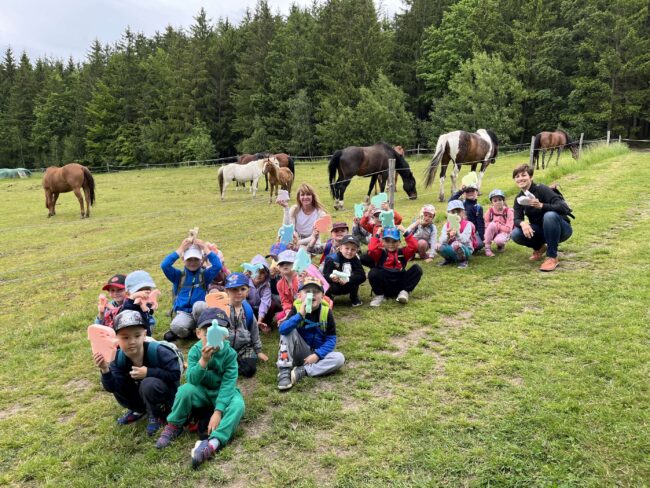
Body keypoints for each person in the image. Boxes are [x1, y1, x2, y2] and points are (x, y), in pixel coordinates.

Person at [156, 307, 245, 469]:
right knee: (185, 390)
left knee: (238, 404)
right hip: (201, 391)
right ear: (198, 333)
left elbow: (228, 384)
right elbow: (192, 379)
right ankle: (174, 425)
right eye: (208, 334)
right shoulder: (195, 351)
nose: (213, 340)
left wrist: (218, 411)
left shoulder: (230, 354)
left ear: (225, 335)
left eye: (218, 334)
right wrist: (203, 361)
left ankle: (214, 442)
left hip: (221, 393)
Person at [93, 310, 181, 436]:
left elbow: (175, 374)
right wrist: (105, 370)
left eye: (137, 336)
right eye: (125, 337)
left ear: (144, 335)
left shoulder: (159, 352)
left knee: (148, 383)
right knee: (117, 381)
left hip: (165, 393)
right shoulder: (117, 358)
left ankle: (157, 414)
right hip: (142, 394)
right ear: (116, 339)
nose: (132, 341)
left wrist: (149, 372)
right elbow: (112, 387)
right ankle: (139, 410)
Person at [276, 277, 345, 390]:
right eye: (307, 291)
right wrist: (299, 316)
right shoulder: (297, 308)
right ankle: (284, 370)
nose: (311, 295)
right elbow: (282, 330)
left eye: (316, 292)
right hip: (299, 352)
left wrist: (317, 354)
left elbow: (331, 339)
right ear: (300, 295)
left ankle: (303, 371)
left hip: (317, 355)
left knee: (339, 358)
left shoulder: (326, 312)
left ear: (322, 296)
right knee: (288, 330)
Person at [510, 164, 573, 271]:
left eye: (524, 175)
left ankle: (552, 257)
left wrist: (542, 205)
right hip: (541, 231)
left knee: (549, 215)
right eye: (517, 176)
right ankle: (539, 247)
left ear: (531, 177)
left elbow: (564, 208)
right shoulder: (519, 198)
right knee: (516, 234)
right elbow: (517, 218)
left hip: (561, 229)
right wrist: (522, 223)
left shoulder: (542, 189)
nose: (520, 179)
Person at [161, 238, 222, 341]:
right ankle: (192, 332)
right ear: (183, 259)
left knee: (199, 305)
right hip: (184, 313)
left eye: (196, 259)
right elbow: (164, 265)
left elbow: (217, 265)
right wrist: (181, 249)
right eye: (189, 259)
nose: (192, 263)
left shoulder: (205, 275)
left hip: (200, 312)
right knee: (176, 326)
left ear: (201, 259)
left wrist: (205, 248)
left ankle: (202, 329)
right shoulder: (178, 276)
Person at [223, 272, 269, 377]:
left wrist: (258, 351)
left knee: (250, 370)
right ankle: (229, 364)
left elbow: (254, 331)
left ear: (248, 291)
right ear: (226, 291)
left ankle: (231, 365)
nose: (239, 292)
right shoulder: (222, 309)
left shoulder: (248, 311)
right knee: (217, 365)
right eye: (234, 289)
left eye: (243, 289)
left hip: (244, 348)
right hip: (225, 348)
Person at [367, 225, 422, 307]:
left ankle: (404, 292)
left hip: (400, 285)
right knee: (373, 272)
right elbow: (371, 249)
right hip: (385, 285)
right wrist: (377, 233)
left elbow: (414, 246)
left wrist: (405, 231)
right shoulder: (380, 253)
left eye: (394, 241)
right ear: (382, 242)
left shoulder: (403, 252)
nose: (391, 244)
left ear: (399, 242)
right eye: (387, 241)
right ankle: (379, 295)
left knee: (417, 269)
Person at [323, 235, 366, 307]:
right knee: (329, 286)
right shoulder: (332, 259)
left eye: (353, 249)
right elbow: (325, 275)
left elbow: (362, 276)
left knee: (356, 279)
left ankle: (354, 297)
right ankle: (329, 296)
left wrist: (349, 279)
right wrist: (332, 278)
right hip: (335, 285)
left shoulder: (355, 260)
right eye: (347, 248)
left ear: (357, 250)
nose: (349, 251)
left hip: (349, 284)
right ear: (340, 248)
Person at [437, 200, 476, 269]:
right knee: (437, 246)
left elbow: (465, 240)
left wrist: (457, 233)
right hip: (452, 249)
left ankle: (463, 261)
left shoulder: (467, 224)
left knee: (456, 244)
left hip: (465, 249)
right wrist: (448, 236)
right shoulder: (446, 225)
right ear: (448, 214)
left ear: (463, 213)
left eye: (458, 212)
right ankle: (448, 259)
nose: (456, 214)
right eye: (453, 212)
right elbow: (441, 241)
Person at [120, 270, 158, 335]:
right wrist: (132, 298)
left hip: (146, 334)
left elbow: (148, 313)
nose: (143, 293)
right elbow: (125, 312)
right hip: (132, 336)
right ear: (128, 294)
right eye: (139, 291)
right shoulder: (129, 305)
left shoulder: (147, 303)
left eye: (147, 289)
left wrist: (152, 308)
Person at [449, 184, 484, 252]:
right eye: (467, 191)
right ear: (464, 194)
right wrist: (460, 191)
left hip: (472, 233)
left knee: (480, 244)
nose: (470, 193)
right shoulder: (461, 204)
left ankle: (466, 247)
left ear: (477, 192)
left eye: (472, 191)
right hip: (460, 231)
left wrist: (482, 238)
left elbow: (480, 224)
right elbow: (451, 202)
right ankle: (461, 246)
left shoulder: (478, 207)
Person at [245, 255, 274, 332]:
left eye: (262, 272)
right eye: (256, 271)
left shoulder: (266, 287)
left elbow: (264, 303)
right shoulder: (245, 284)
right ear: (250, 273)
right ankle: (248, 324)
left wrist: (260, 320)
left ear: (266, 275)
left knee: (271, 305)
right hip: (249, 308)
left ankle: (263, 323)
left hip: (260, 309)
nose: (259, 275)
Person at [483, 189, 514, 257]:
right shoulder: (490, 211)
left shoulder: (508, 212)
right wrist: (492, 227)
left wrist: (498, 225)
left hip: (504, 232)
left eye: (500, 200)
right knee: (492, 225)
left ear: (503, 201)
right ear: (492, 203)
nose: (498, 202)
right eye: (495, 201)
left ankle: (500, 245)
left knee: (499, 240)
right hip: (492, 231)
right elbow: (486, 223)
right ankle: (487, 248)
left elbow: (508, 229)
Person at [274, 249, 300, 324]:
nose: (285, 265)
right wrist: (288, 312)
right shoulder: (279, 284)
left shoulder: (301, 278)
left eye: (289, 262)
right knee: (278, 317)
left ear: (295, 264)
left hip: (306, 306)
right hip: (293, 308)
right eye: (281, 263)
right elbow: (285, 301)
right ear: (279, 267)